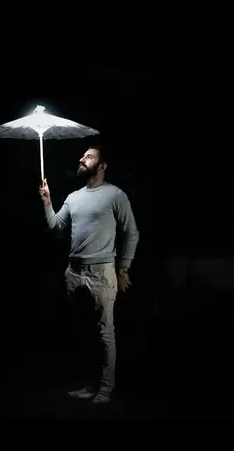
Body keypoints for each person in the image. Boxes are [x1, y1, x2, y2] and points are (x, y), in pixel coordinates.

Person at [39, 145, 139, 404]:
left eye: (89, 157)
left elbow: (131, 232)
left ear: (102, 166)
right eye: (83, 156)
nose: (82, 159)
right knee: (83, 331)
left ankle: (105, 389)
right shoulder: (74, 197)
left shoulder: (115, 195)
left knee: (105, 333)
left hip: (101, 272)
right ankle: (89, 384)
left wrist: (123, 270)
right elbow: (55, 228)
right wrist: (47, 203)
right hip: (74, 272)